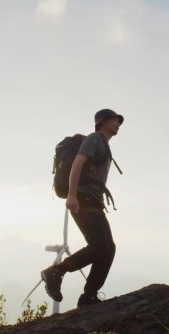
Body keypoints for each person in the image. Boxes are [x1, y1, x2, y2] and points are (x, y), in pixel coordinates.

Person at [41, 108, 124, 307]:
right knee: (99, 246)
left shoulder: (103, 144)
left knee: (108, 248)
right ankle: (55, 272)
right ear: (103, 122)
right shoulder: (94, 139)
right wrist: (71, 195)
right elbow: (78, 163)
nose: (118, 123)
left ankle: (89, 295)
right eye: (114, 120)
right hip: (82, 198)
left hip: (93, 200)